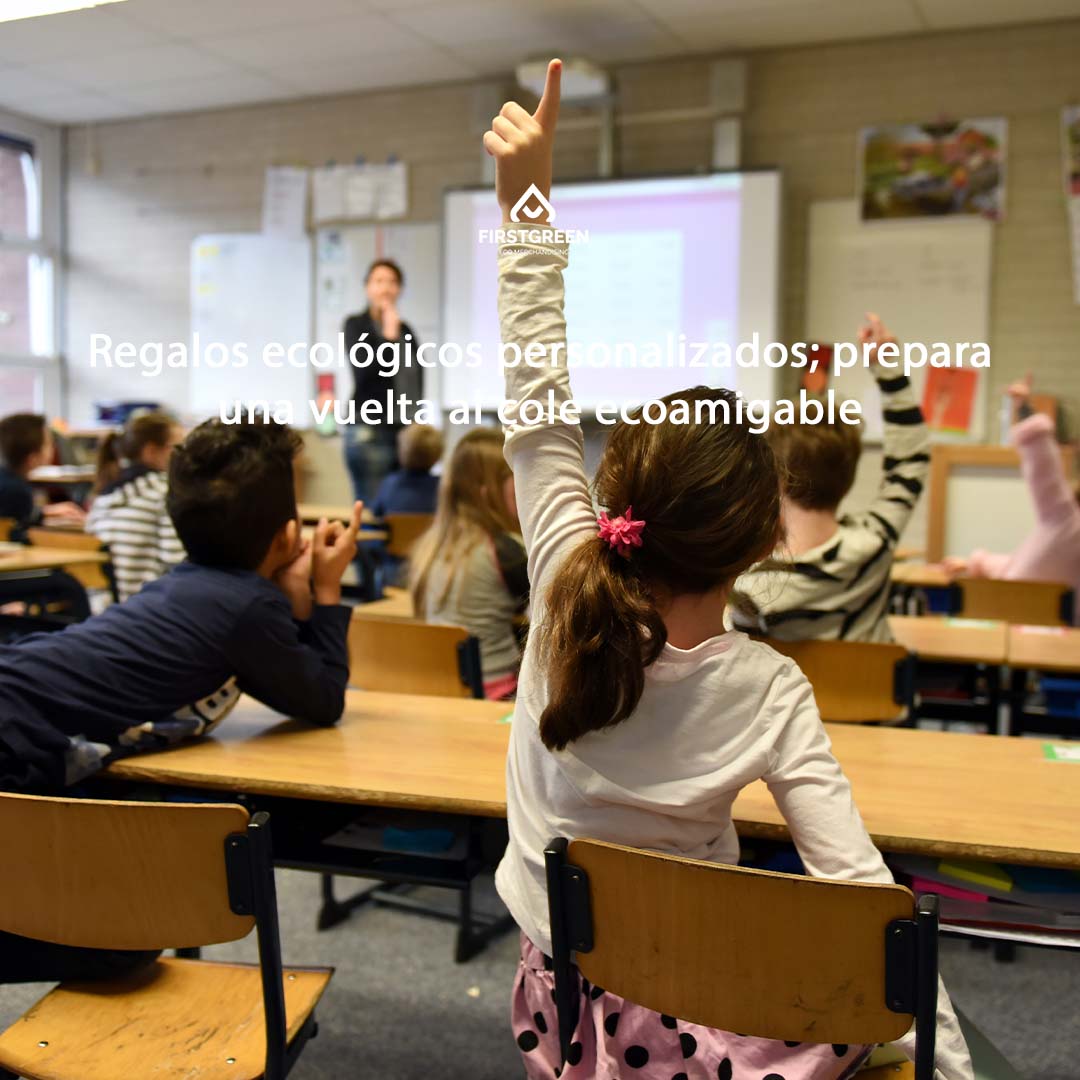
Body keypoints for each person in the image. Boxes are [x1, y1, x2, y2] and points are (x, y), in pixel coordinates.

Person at [484, 60, 972, 1080]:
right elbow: (859, 887)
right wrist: (949, 1061)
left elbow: (534, 397)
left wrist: (527, 205)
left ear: (618, 495)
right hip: (702, 997)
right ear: (759, 544)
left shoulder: (566, 581)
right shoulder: (767, 686)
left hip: (561, 998)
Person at [729, 316, 929, 642]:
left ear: (776, 479)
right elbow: (911, 461)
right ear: (849, 476)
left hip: (788, 695)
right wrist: (889, 371)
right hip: (868, 693)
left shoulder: (750, 587)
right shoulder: (873, 545)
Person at [943, 374, 1080, 621]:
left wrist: (1025, 409)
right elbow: (1026, 568)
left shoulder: (1067, 523)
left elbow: (1044, 467)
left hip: (1028, 636)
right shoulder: (1065, 528)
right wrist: (976, 563)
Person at [409, 428, 527, 700]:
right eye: (517, 478)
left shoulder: (432, 545)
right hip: (497, 694)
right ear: (490, 492)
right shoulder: (503, 550)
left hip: (442, 690)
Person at [341, 258, 423, 505]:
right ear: (367, 287)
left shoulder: (406, 330)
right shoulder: (357, 325)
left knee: (398, 509)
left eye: (392, 282)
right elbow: (364, 372)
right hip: (369, 431)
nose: (385, 288)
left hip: (402, 431)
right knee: (372, 510)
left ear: (400, 289)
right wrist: (387, 338)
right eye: (378, 281)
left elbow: (414, 378)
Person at [85, 411, 186, 601]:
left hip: (103, 611)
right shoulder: (165, 493)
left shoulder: (104, 496)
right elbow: (178, 565)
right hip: (147, 611)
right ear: (151, 451)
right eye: (178, 447)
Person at [0, 413, 86, 538]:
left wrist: (45, 513)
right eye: (49, 443)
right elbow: (17, 534)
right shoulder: (16, 490)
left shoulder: (8, 481)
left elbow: (15, 516)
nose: (54, 447)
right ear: (32, 458)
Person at [370, 422, 443, 519]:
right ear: (438, 454)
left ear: (402, 451)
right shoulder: (444, 488)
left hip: (395, 534)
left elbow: (375, 514)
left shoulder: (390, 484)